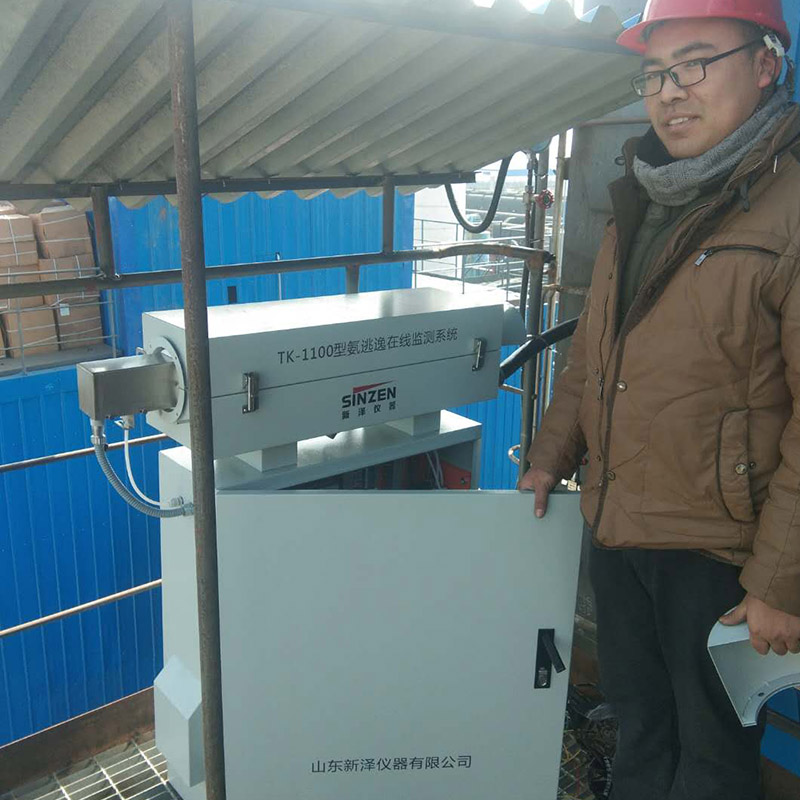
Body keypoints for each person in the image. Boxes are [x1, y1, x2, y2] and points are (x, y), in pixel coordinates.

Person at [520, 1, 800, 797]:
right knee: (640, 726)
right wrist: (550, 456)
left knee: (712, 759)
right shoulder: (641, 198)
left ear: (766, 65)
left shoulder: (789, 207)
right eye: (655, 73)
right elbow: (593, 353)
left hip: (720, 555)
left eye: (697, 63)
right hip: (620, 528)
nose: (672, 91)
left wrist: (780, 581)